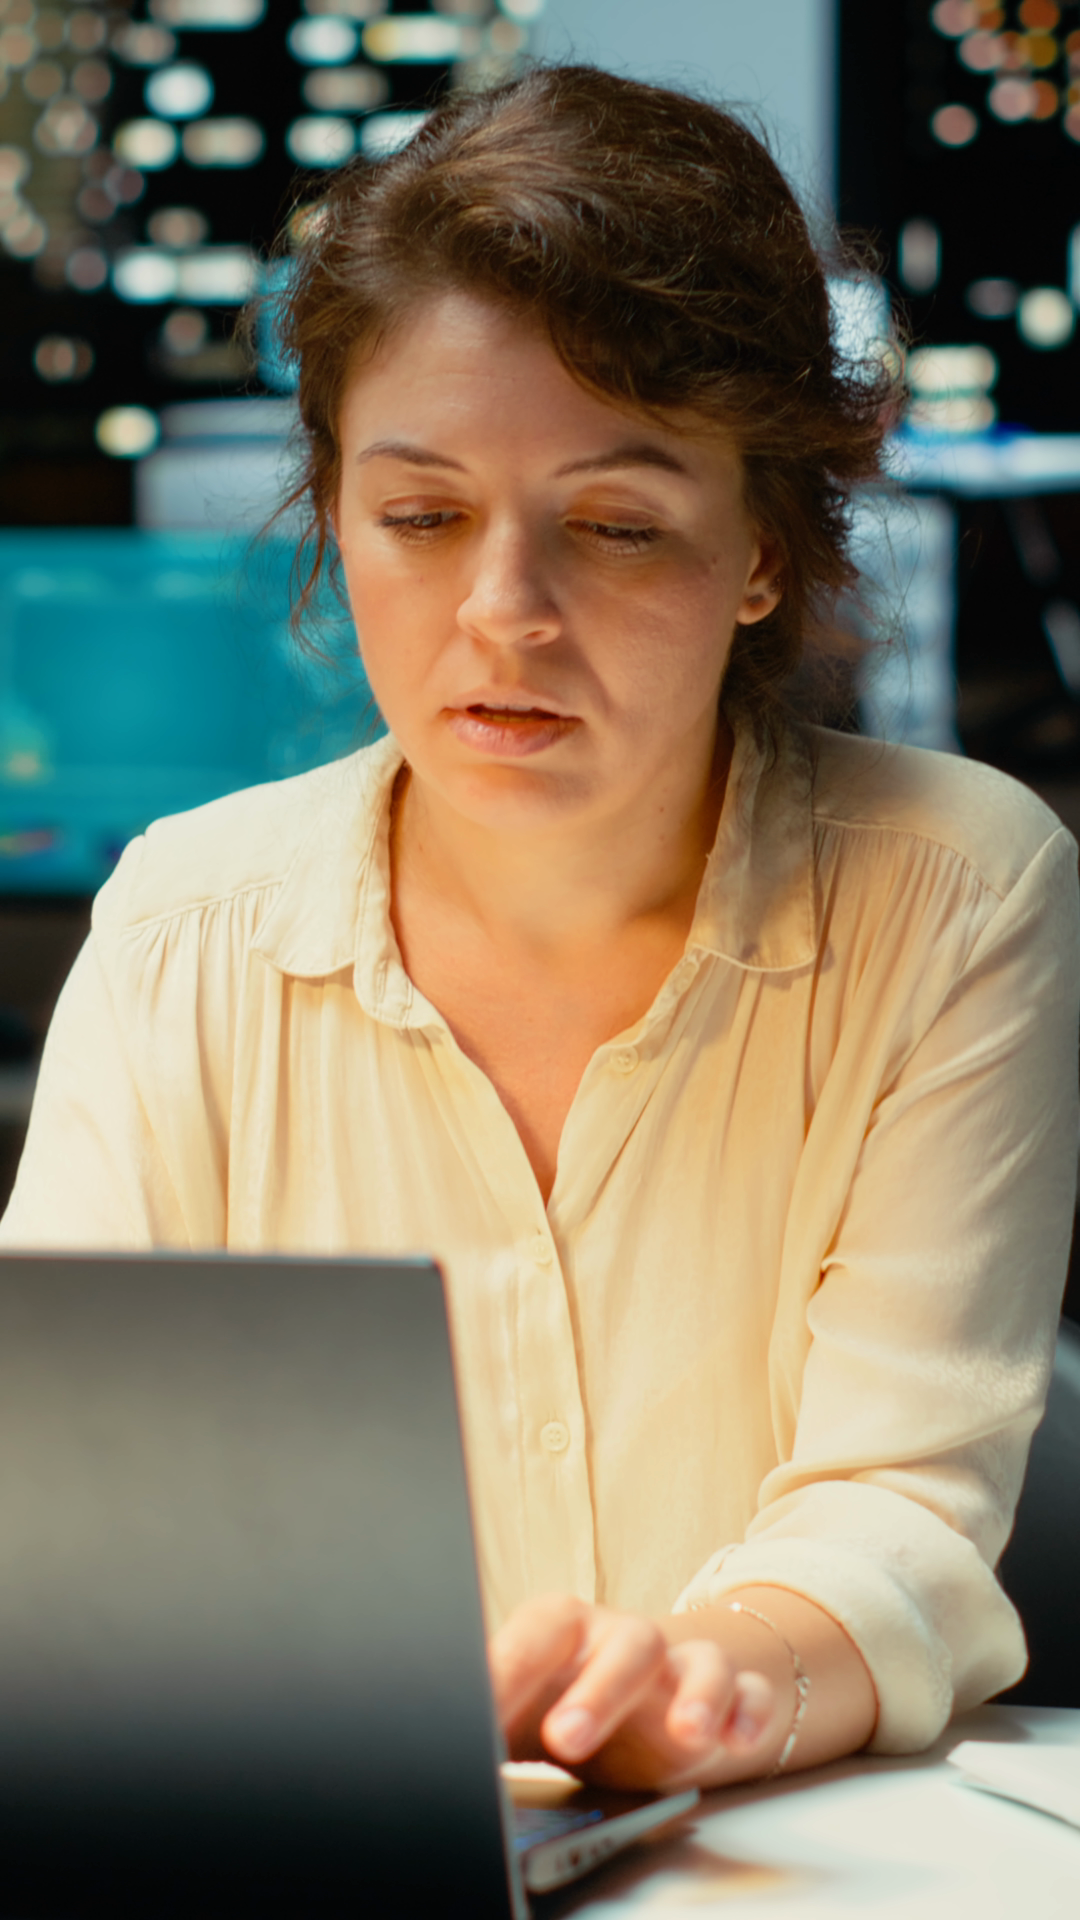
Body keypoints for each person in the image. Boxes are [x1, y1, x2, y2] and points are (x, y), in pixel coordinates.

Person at [2, 64, 1078, 1795]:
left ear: (762, 551)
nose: (503, 615)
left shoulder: (954, 890)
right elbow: (60, 1511)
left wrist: (708, 1686)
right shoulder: (184, 927)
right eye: (422, 517)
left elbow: (899, 1507)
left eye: (617, 526)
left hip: (766, 1859)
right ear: (337, 514)